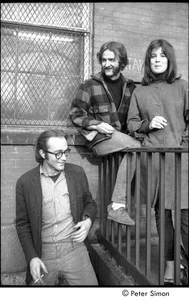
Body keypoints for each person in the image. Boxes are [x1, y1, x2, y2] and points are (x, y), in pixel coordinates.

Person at [127, 39, 188, 286]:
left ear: (169, 59)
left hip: (182, 160)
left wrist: (182, 143)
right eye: (153, 56)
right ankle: (171, 264)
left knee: (185, 217)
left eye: (162, 55)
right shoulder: (140, 91)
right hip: (154, 161)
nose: (157, 59)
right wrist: (147, 125)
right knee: (162, 216)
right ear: (148, 61)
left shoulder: (183, 86)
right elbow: (131, 123)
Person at [70, 41, 141, 226]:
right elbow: (75, 114)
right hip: (99, 139)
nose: (107, 64)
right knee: (136, 146)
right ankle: (117, 206)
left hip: (120, 140)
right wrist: (97, 125)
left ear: (121, 63)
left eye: (112, 60)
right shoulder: (89, 85)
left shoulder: (131, 87)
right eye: (104, 60)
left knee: (139, 149)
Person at [16, 129, 98, 286]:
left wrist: (87, 221)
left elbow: (90, 203)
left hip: (74, 248)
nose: (64, 157)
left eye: (66, 151)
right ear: (43, 153)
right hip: (43, 252)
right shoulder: (25, 183)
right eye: (58, 153)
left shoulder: (77, 173)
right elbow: (22, 225)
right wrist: (32, 257)